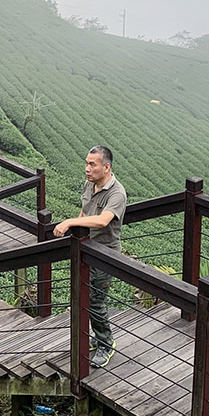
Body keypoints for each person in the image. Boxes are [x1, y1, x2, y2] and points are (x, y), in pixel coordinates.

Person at [53, 145, 127, 367]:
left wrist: (68, 223)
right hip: (85, 250)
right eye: (86, 163)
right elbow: (85, 213)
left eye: (92, 164)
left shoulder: (117, 193)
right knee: (82, 296)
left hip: (104, 255)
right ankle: (94, 337)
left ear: (106, 167)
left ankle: (106, 344)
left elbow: (102, 220)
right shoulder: (90, 185)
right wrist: (74, 232)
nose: (87, 168)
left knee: (96, 302)